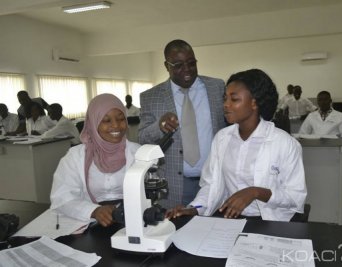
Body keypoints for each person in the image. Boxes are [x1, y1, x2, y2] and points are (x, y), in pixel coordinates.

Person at [166, 69, 307, 221]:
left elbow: (295, 197)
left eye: (234, 99)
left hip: (271, 222)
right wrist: (193, 208)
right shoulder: (222, 139)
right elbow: (211, 186)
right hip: (230, 219)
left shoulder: (285, 143)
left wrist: (256, 192)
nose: (226, 105)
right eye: (225, 99)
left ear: (254, 103)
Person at [139, 39, 226, 208]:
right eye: (178, 65)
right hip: (175, 185)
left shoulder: (216, 87)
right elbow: (142, 138)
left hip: (214, 180)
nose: (187, 69)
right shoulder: (151, 97)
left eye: (191, 63)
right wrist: (159, 126)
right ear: (166, 66)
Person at [50, 94, 141, 226]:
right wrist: (93, 211)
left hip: (132, 221)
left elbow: (150, 194)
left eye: (121, 119)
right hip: (88, 223)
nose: (116, 125)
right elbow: (61, 197)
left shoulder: (138, 153)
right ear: (93, 123)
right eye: (106, 120)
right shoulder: (75, 156)